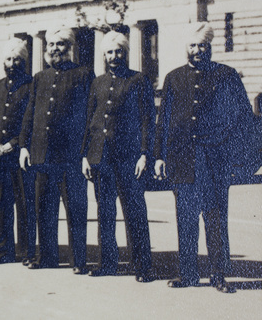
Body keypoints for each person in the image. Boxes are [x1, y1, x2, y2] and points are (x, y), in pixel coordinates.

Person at [154, 22, 252, 293]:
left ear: (210, 47)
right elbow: (164, 121)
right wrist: (159, 156)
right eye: (193, 45)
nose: (197, 50)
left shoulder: (226, 75)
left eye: (202, 46)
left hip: (214, 158)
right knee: (185, 217)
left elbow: (243, 118)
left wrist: (238, 158)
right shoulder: (174, 77)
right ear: (186, 47)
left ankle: (218, 274)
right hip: (182, 158)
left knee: (215, 217)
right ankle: (188, 274)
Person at [81, 31, 155, 282]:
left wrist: (145, 154)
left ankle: (143, 266)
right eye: (110, 52)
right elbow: (89, 121)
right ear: (104, 55)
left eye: (119, 51)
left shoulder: (138, 80)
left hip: (128, 159)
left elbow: (147, 120)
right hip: (101, 158)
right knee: (105, 213)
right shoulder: (97, 82)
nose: (114, 56)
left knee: (134, 211)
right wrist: (85, 156)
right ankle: (108, 263)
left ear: (125, 53)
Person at [19, 27, 93, 272]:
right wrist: (24, 147)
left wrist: (85, 154)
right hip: (42, 155)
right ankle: (48, 257)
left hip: (70, 157)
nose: (55, 49)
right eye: (51, 44)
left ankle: (78, 260)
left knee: (75, 210)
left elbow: (88, 117)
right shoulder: (40, 77)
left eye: (60, 44)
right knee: (44, 210)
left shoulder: (83, 74)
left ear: (69, 47)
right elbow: (30, 114)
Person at [0, 38, 34, 265]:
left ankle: (25, 251)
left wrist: (14, 143)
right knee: (2, 203)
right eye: (8, 58)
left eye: (17, 59)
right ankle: (5, 251)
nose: (12, 63)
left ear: (23, 61)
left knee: (24, 203)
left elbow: (30, 120)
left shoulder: (31, 86)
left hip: (19, 155)